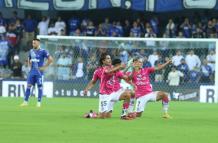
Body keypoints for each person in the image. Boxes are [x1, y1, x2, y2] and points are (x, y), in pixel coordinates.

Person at [20, 38, 53, 107]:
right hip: (32, 72)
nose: (33, 44)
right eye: (32, 43)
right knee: (28, 86)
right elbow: (29, 59)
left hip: (39, 73)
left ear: (38, 43)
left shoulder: (43, 51)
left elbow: (50, 59)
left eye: (34, 43)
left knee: (39, 87)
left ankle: (38, 102)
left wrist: (44, 67)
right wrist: (29, 66)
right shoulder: (31, 51)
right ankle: (25, 102)